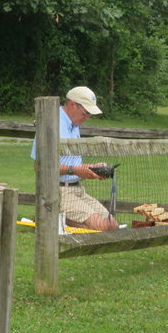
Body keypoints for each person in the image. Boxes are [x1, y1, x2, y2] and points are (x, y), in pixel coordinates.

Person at [31, 86, 118, 232]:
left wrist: (90, 168)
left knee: (112, 225)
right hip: (57, 191)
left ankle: (53, 219)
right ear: (72, 104)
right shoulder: (52, 123)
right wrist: (76, 170)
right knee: (103, 227)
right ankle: (49, 215)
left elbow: (70, 163)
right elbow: (40, 167)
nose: (87, 118)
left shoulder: (74, 124)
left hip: (77, 189)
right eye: (86, 113)